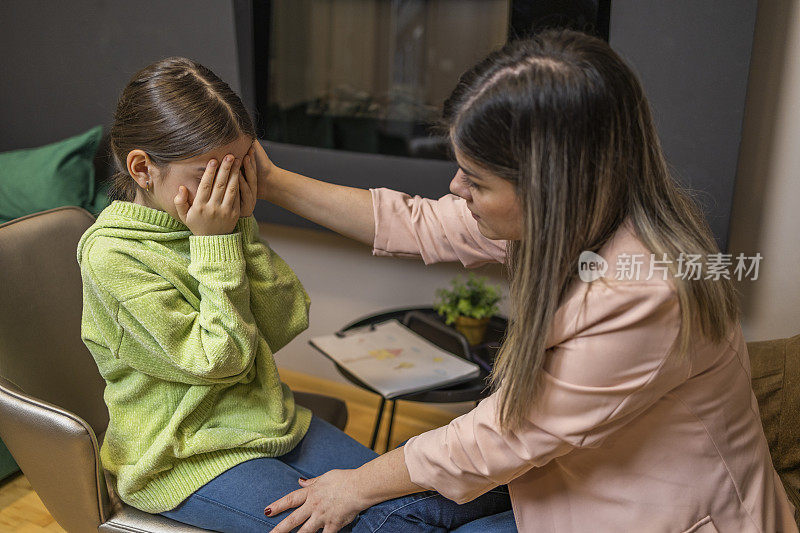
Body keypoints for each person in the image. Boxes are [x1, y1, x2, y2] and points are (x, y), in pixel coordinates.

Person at [255, 30, 799, 532]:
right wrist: (272, 183)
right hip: (565, 472)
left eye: (476, 180)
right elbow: (418, 222)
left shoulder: (647, 290)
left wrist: (353, 485)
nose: (455, 186)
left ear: (552, 190)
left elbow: (502, 437)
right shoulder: (587, 210)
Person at [77, 57, 511, 532]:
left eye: (239, 170)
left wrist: (237, 231)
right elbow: (218, 363)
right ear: (142, 169)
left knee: (473, 497)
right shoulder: (112, 255)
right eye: (211, 175)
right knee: (409, 522)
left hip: (272, 426)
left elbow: (285, 319)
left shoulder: (216, 224)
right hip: (184, 458)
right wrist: (217, 243)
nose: (229, 191)